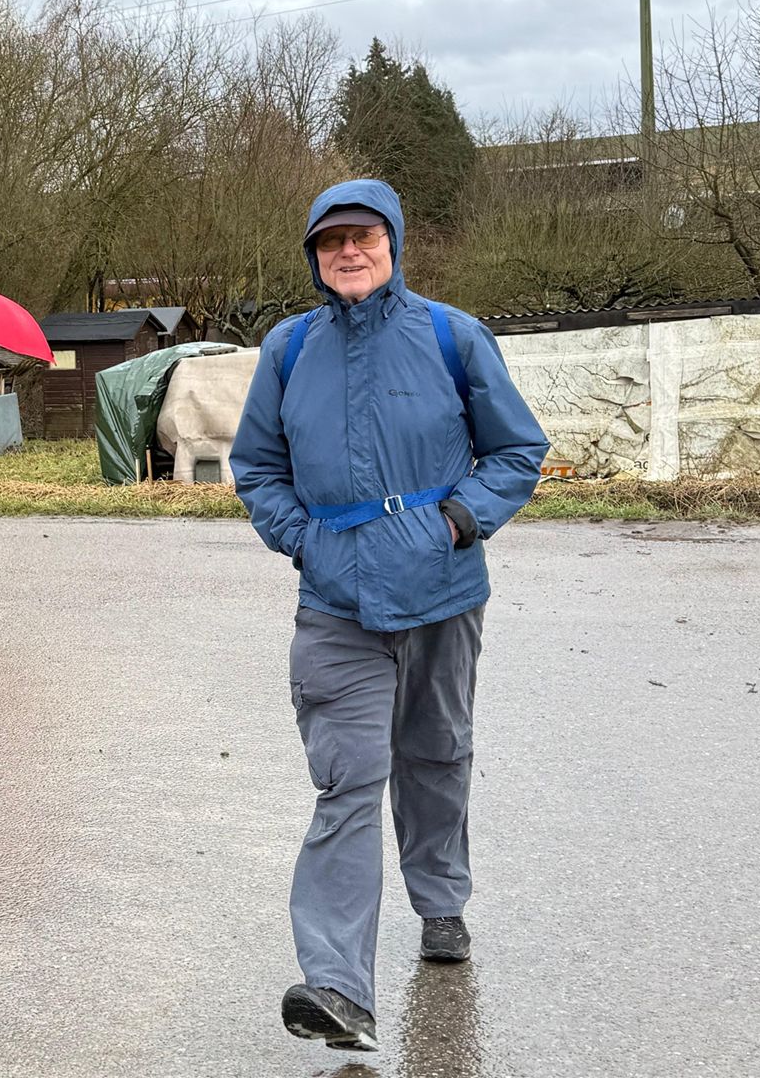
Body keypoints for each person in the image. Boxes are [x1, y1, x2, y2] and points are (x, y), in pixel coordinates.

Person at [229, 179, 548, 1053]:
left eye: (363, 236)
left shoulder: (452, 335)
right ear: (314, 257)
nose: (349, 252)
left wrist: (456, 522)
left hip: (442, 591)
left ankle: (440, 901)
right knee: (349, 778)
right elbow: (257, 466)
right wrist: (304, 541)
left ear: (393, 243)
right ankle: (338, 987)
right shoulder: (289, 348)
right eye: (331, 241)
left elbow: (518, 449)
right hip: (336, 602)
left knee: (436, 753)